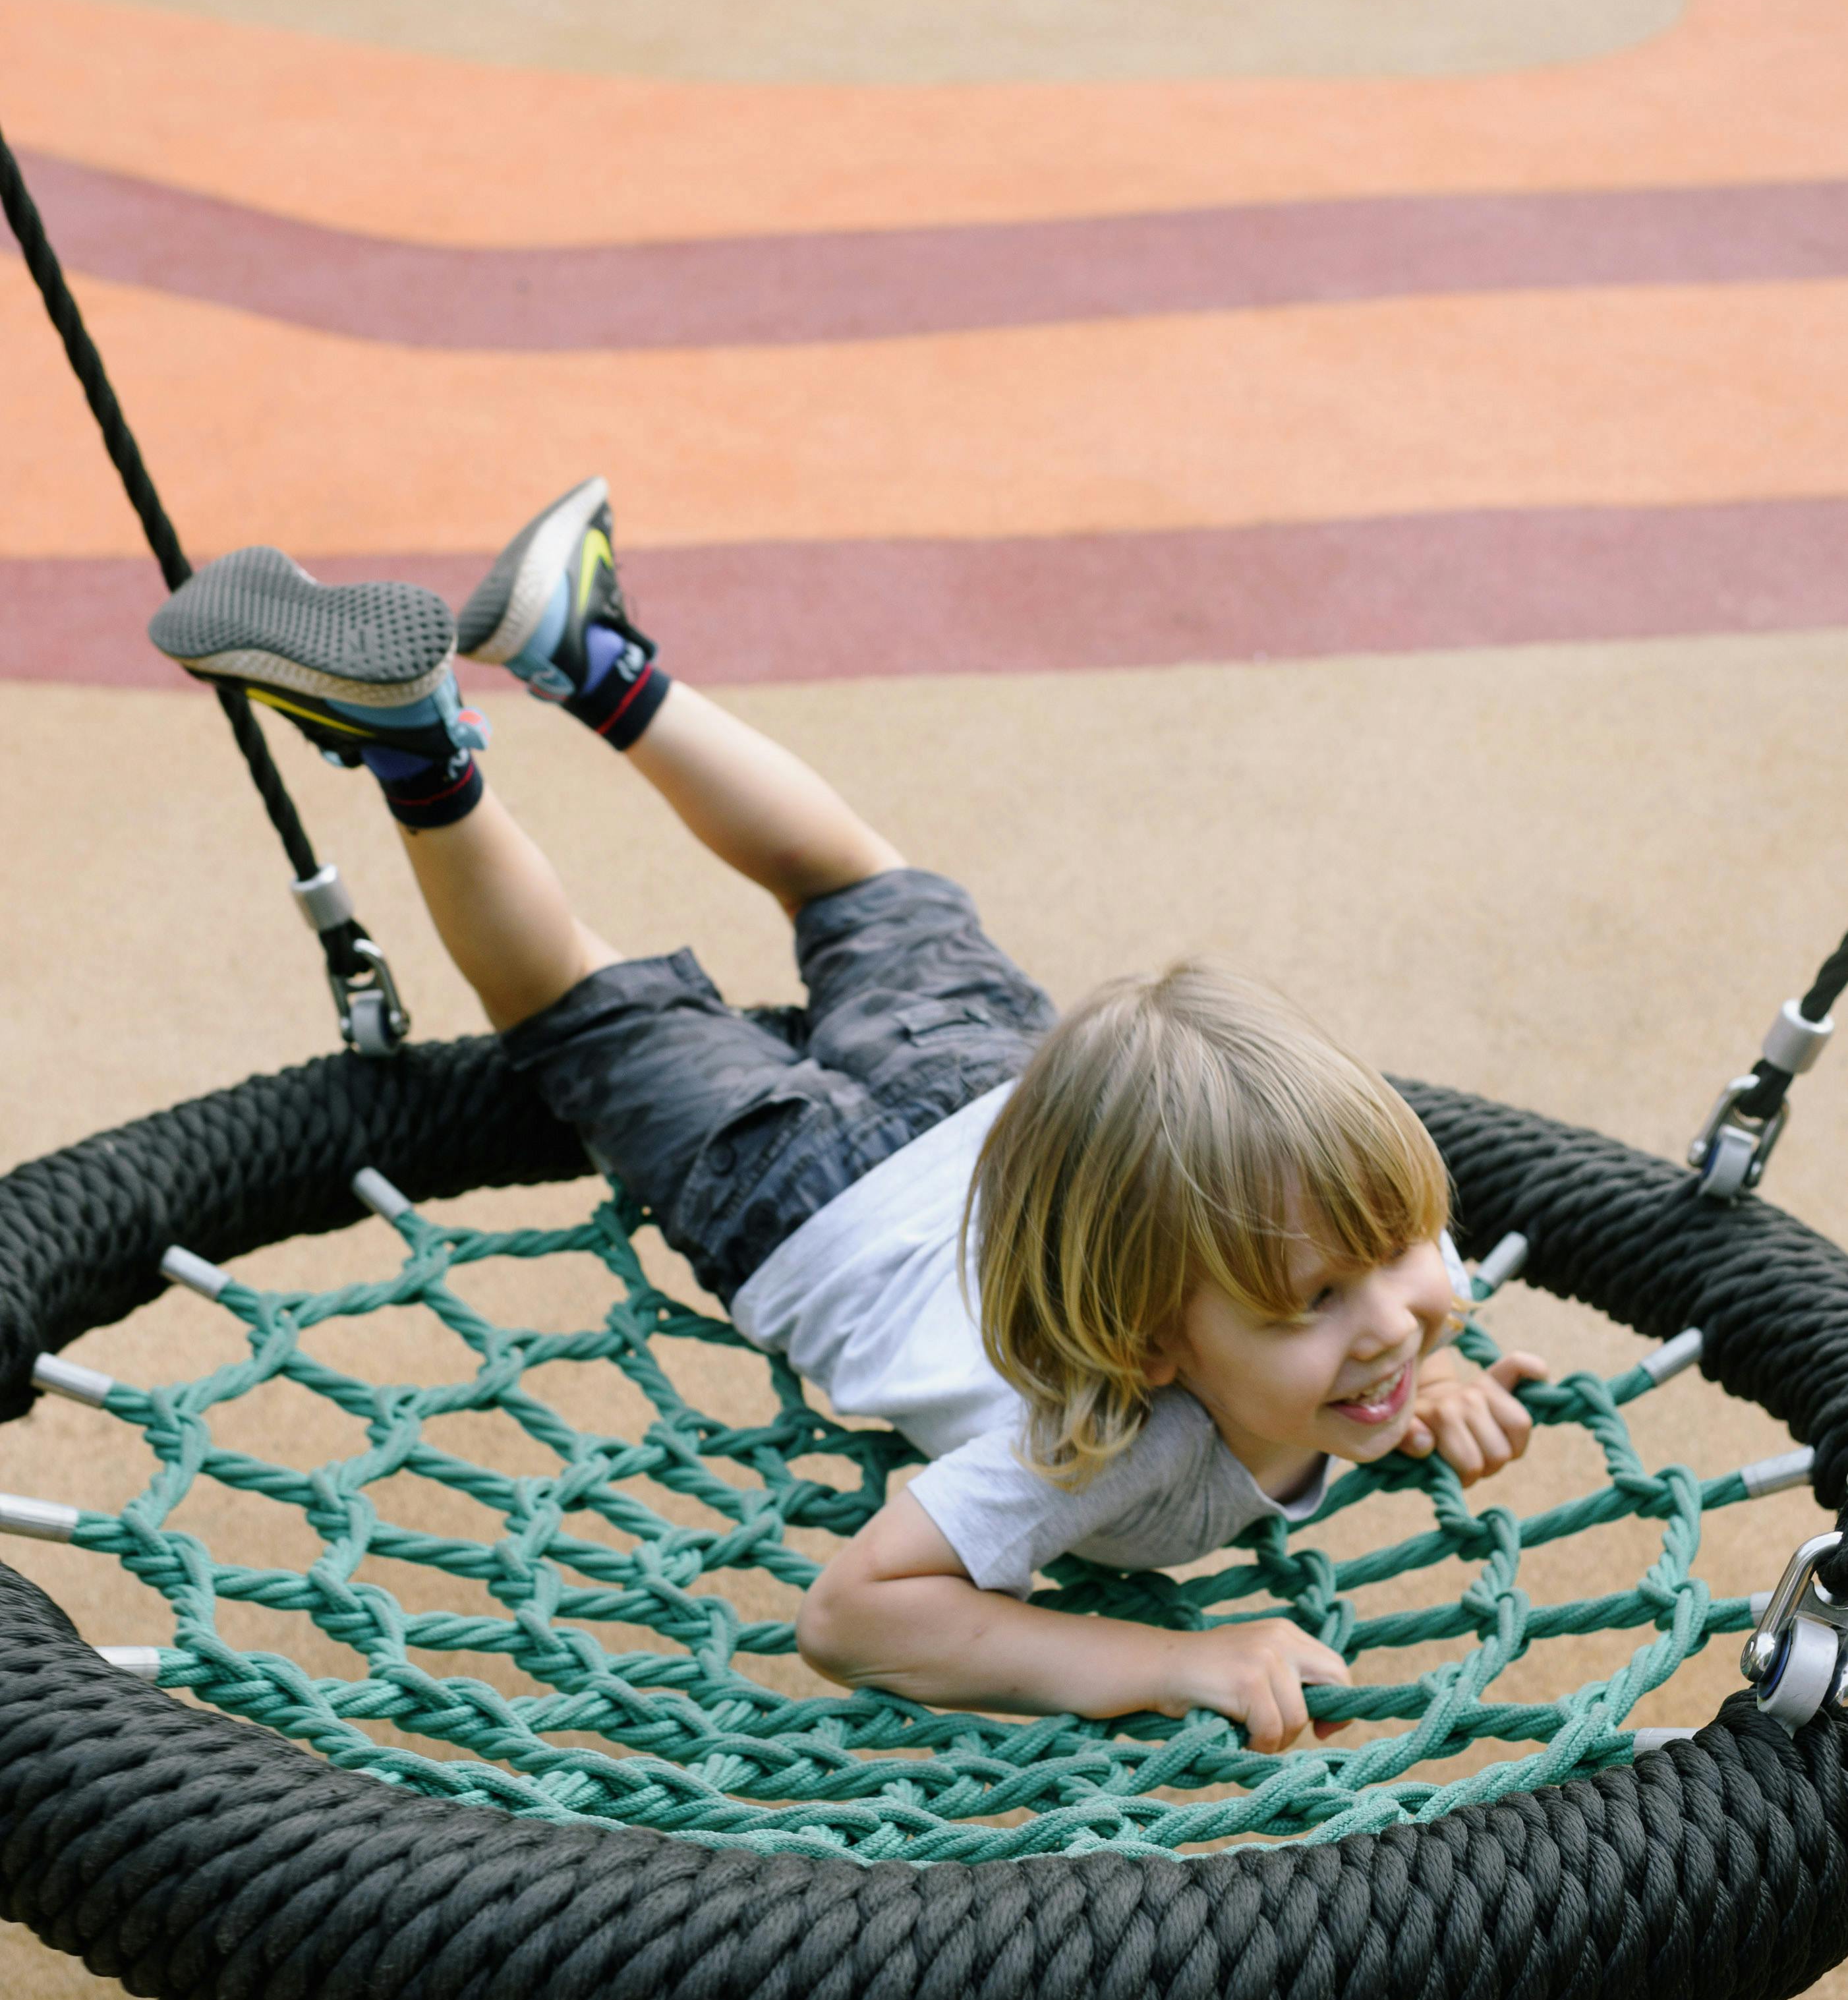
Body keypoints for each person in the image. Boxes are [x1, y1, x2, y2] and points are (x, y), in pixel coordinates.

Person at [148, 477, 1546, 1753]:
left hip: (993, 1090)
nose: (1394, 1315)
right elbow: (853, 1615)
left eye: (1404, 1253)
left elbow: (1367, 1321)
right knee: (569, 998)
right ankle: (421, 751)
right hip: (798, 1196)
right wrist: (1157, 1661)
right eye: (1310, 1302)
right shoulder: (1107, 1450)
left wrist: (1417, 1378)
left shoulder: (1356, 1319)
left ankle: (590, 658)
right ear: (1145, 1343)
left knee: (853, 882)